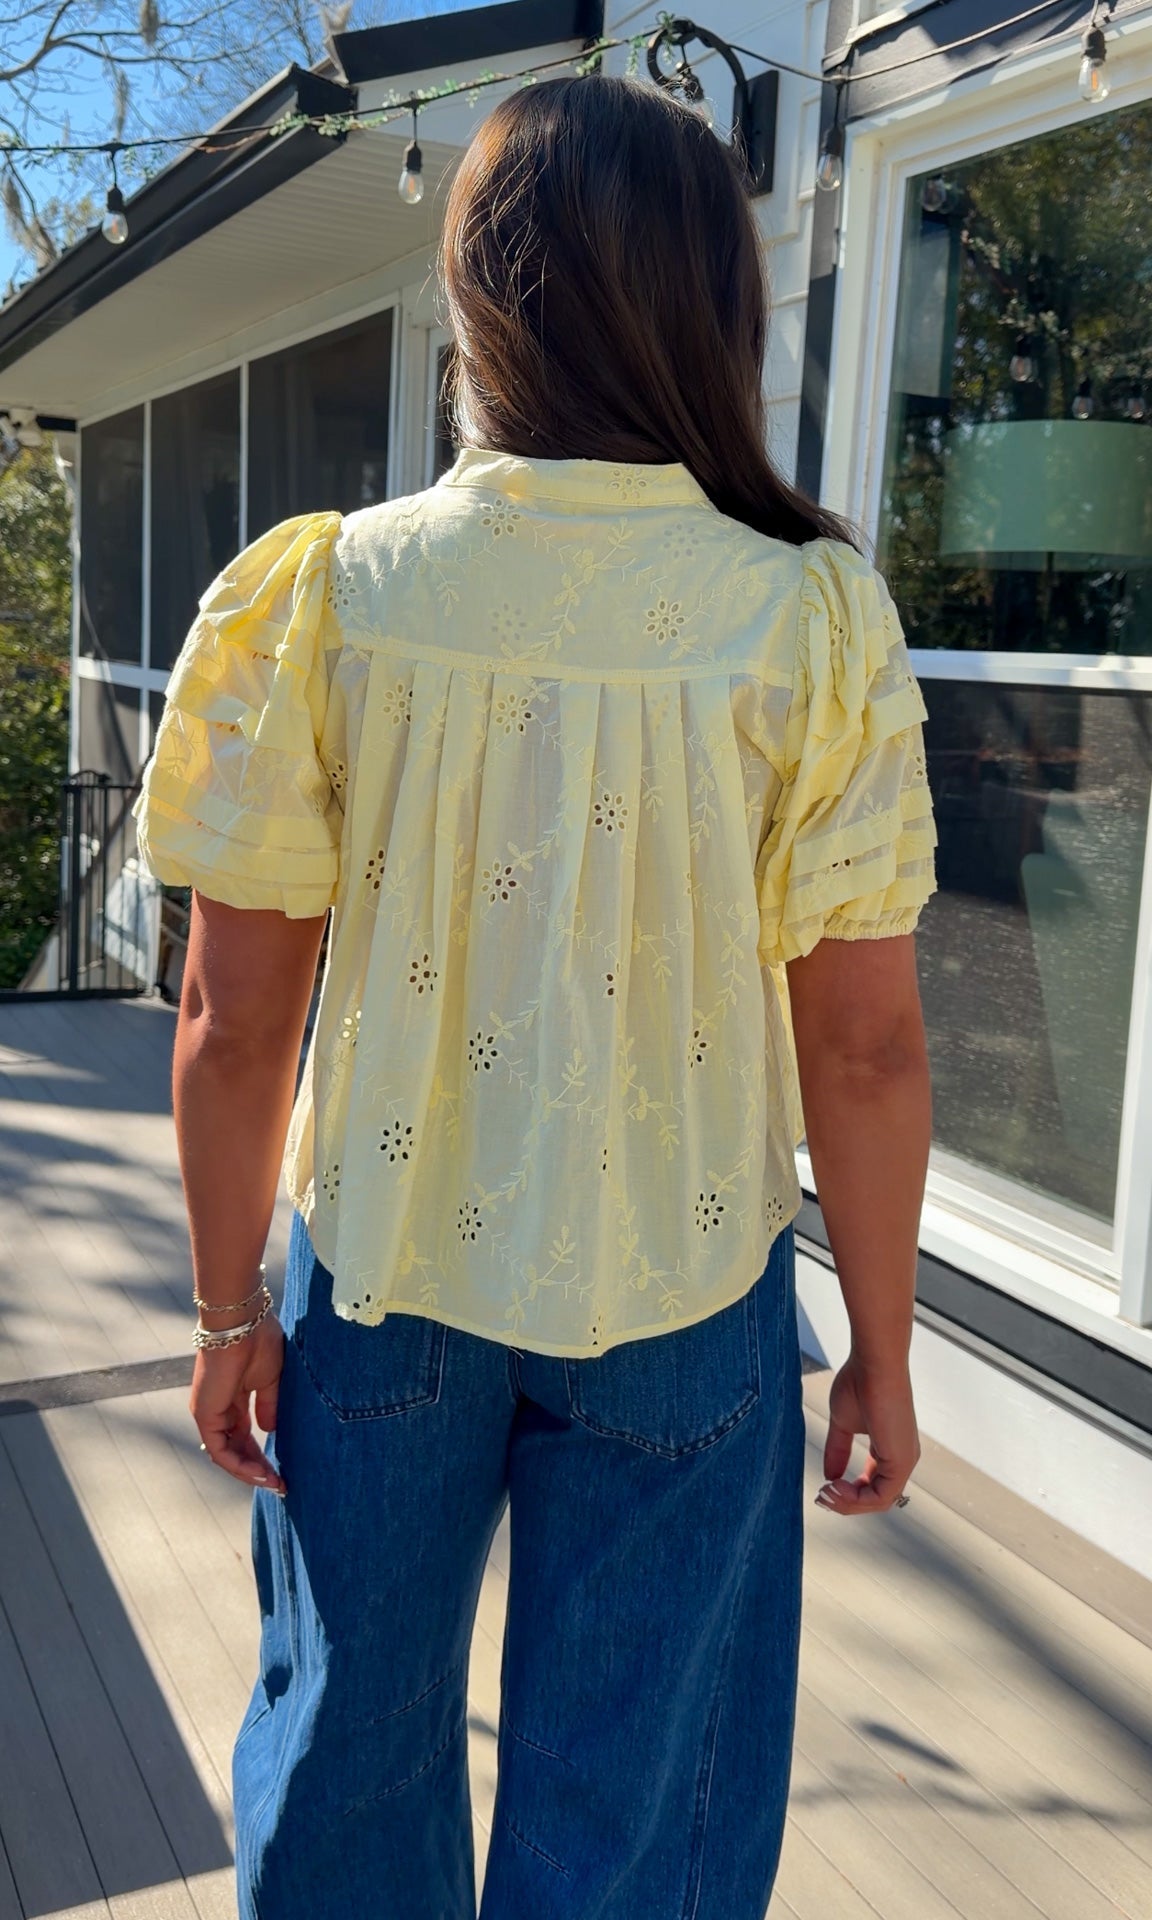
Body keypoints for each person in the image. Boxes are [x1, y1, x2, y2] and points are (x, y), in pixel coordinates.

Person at [133, 72, 936, 1920]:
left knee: (348, 1756)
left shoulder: (329, 600)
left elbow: (233, 1016)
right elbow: (872, 1042)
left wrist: (225, 1301)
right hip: (688, 1282)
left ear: (483, 299)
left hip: (392, 1269)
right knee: (637, 1806)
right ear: (709, 308)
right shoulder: (804, 618)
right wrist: (885, 1346)